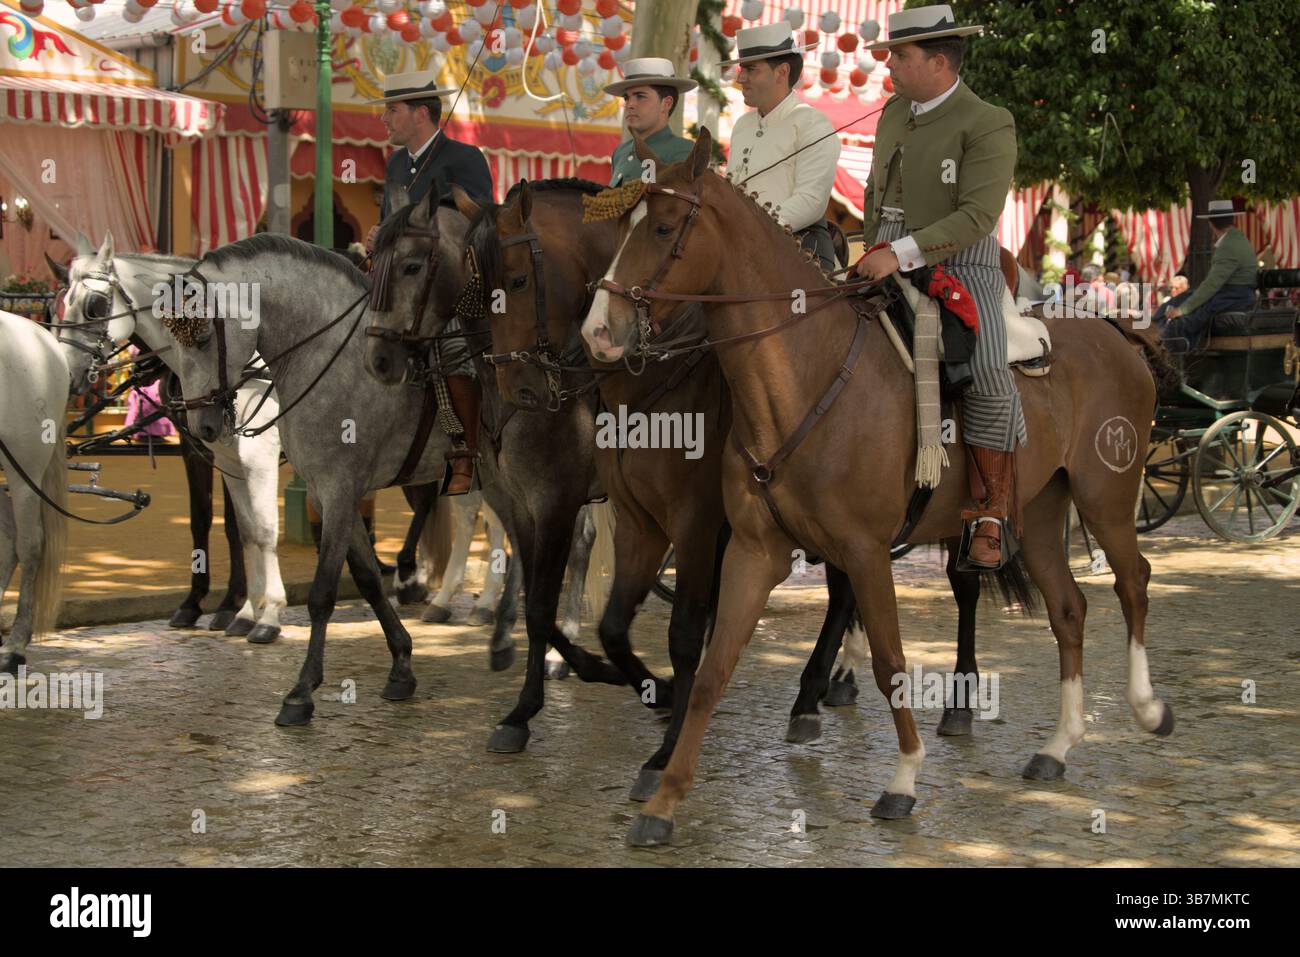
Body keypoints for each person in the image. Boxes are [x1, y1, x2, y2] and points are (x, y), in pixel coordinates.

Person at [852, 4, 1021, 568]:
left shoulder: (988, 120)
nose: (890, 65)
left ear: (940, 62)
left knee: (989, 369)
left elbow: (978, 217)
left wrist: (898, 252)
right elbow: (879, 197)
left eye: (900, 55)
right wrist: (874, 249)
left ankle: (992, 513)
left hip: (961, 265)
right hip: (883, 255)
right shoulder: (893, 113)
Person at [366, 70, 494, 495]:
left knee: (454, 348)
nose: (385, 118)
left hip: (454, 290)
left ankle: (466, 453)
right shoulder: (396, 164)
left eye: (392, 109)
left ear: (421, 112)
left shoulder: (466, 158)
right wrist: (378, 235)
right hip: (402, 283)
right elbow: (391, 225)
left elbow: (482, 229)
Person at [722, 21, 841, 271]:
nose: (740, 77)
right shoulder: (742, 124)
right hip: (739, 250)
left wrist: (750, 229)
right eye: (742, 68)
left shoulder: (812, 122)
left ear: (782, 72)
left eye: (751, 69)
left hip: (802, 253)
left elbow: (810, 202)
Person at [1154, 200, 1258, 351]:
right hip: (1235, 294)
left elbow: (1211, 285)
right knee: (1182, 299)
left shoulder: (1229, 245)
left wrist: (1182, 310)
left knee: (1183, 322)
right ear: (1232, 219)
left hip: (1233, 296)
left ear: (1211, 223)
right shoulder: (1237, 238)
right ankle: (1158, 331)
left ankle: (1172, 357)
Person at [605, 58, 697, 186]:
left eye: (640, 96)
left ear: (666, 104)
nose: (630, 104)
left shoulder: (684, 150)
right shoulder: (620, 152)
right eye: (627, 98)